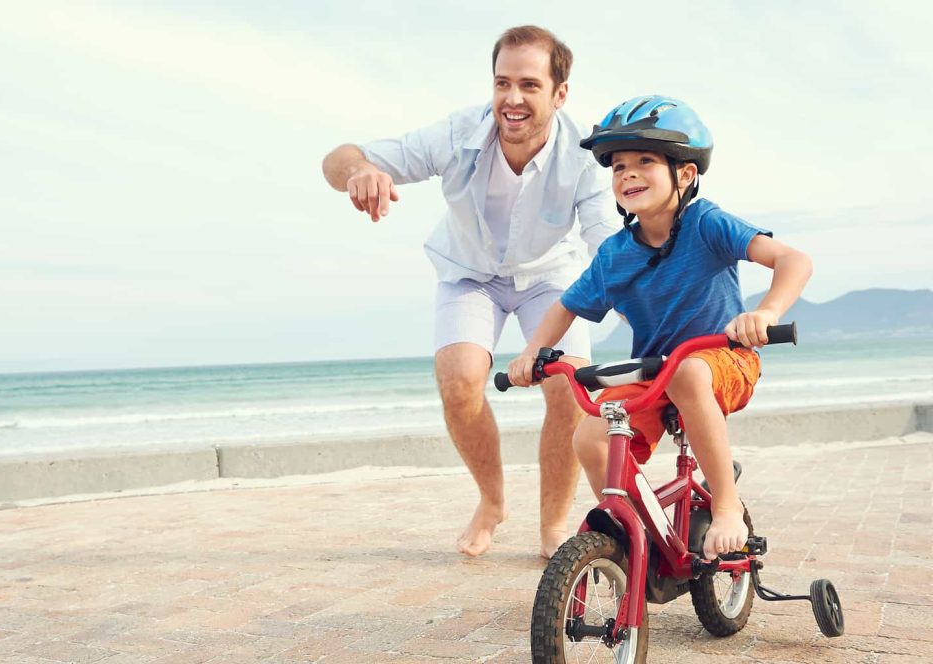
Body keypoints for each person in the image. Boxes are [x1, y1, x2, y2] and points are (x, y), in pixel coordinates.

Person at [321, 26, 618, 558]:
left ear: (560, 93)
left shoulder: (584, 156)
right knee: (459, 380)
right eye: (502, 82)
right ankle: (492, 501)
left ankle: (552, 524)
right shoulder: (459, 132)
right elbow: (337, 158)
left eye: (529, 84)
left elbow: (607, 246)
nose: (512, 99)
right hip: (468, 273)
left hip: (549, 276)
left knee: (568, 389)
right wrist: (359, 171)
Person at [507, 95, 813, 560]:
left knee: (690, 370)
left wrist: (766, 312)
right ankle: (636, 528)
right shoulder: (613, 254)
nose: (628, 174)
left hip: (723, 361)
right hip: (655, 373)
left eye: (645, 161)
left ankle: (727, 507)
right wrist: (533, 352)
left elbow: (793, 260)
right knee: (589, 435)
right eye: (618, 166)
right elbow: (564, 307)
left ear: (685, 174)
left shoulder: (705, 222)